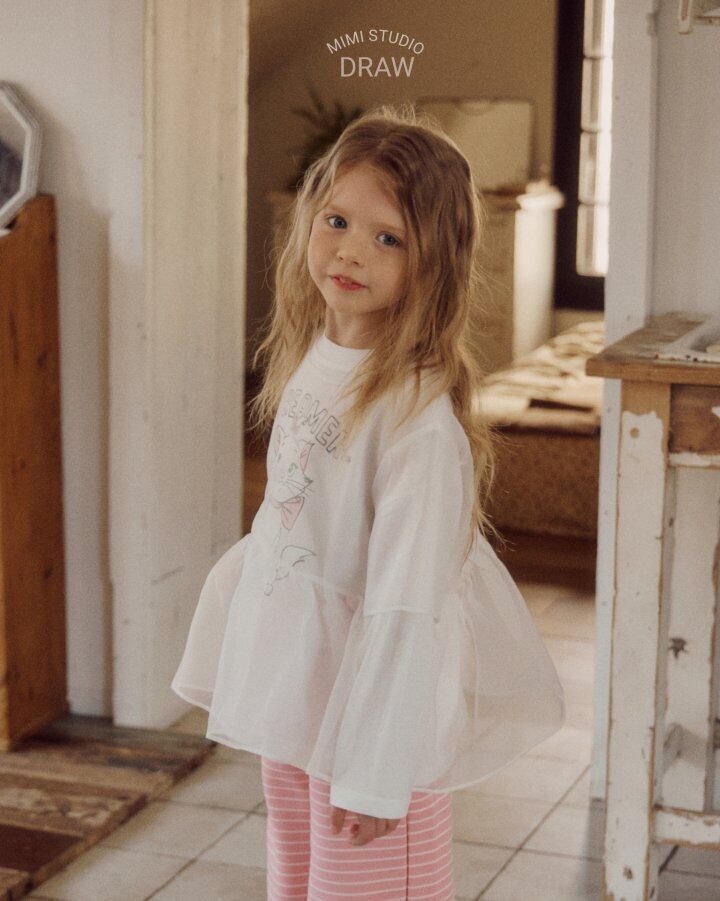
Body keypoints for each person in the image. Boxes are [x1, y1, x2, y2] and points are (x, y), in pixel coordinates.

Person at [171, 102, 565, 899]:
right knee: (297, 882)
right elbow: (294, 520)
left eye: (390, 239)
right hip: (303, 700)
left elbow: (406, 602)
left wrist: (377, 771)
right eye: (338, 221)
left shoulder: (415, 420)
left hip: (375, 724)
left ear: (434, 264)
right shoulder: (313, 359)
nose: (351, 250)